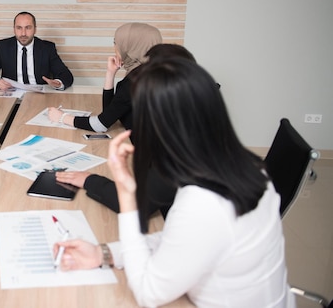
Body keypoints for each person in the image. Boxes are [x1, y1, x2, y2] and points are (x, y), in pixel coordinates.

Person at [54, 58, 294, 307]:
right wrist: (104, 253)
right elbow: (177, 238)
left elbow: (149, 293)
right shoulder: (245, 166)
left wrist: (127, 196)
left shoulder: (203, 200)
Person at [55, 43, 198, 216]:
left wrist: (88, 180)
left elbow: (135, 204)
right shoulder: (191, 119)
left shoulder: (181, 147)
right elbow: (111, 112)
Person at [47, 22, 161, 130]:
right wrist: (110, 73)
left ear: (130, 46)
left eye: (116, 42)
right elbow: (110, 113)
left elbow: (101, 124)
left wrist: (62, 117)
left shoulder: (135, 81)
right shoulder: (156, 73)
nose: (115, 47)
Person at [0, 11, 74, 90]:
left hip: (39, 97)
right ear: (14, 29)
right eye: (19, 28)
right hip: (11, 96)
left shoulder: (47, 48)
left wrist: (58, 83)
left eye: (28, 28)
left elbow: (66, 76)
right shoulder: (2, 47)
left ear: (35, 29)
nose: (23, 33)